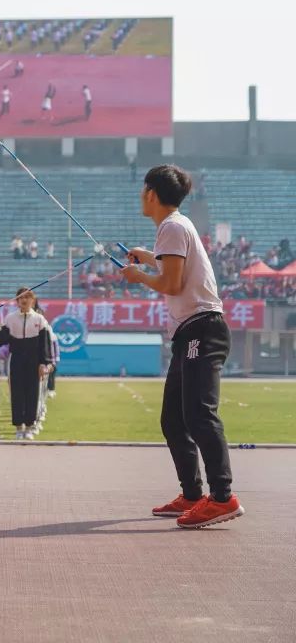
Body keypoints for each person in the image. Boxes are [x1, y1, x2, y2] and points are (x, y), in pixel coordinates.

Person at [120, 164, 243, 529]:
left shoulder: (172, 227)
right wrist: (146, 257)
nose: (141, 196)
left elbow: (172, 284)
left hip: (201, 331)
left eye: (143, 190)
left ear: (152, 194)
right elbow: (175, 271)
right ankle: (192, 494)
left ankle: (223, 497)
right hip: (190, 332)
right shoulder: (174, 227)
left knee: (199, 415)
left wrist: (139, 276)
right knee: (174, 419)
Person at [0, 289, 52, 440]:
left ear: (33, 300)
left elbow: (44, 344)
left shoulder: (39, 319)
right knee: (17, 392)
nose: (24, 300)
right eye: (21, 298)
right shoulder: (10, 318)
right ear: (17, 301)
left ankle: (30, 427)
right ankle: (19, 428)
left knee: (32, 393)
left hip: (34, 360)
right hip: (17, 358)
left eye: (28, 297)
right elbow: (3, 341)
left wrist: (43, 363)